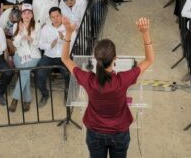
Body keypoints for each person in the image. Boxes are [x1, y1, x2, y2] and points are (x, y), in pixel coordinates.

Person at [60, 16, 153, 158]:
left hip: (95, 133)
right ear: (115, 58)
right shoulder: (123, 80)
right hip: (119, 133)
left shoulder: (88, 80)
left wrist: (68, 32)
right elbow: (149, 60)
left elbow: (65, 59)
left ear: (95, 58)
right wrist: (145, 33)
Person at [36, 7, 67, 107]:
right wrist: (50, 45)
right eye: (53, 17)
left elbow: (74, 43)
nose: (56, 19)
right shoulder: (45, 28)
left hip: (64, 56)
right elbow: (40, 44)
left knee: (69, 74)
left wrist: (65, 39)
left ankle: (67, 93)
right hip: (49, 55)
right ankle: (45, 94)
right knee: (39, 74)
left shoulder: (68, 27)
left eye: (57, 16)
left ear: (61, 16)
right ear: (50, 18)